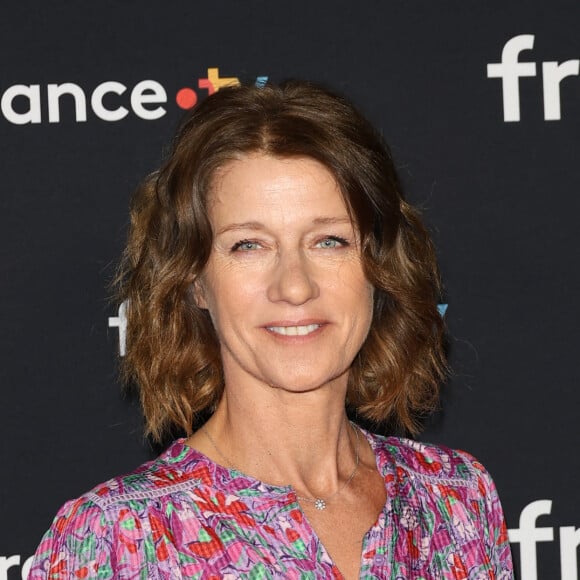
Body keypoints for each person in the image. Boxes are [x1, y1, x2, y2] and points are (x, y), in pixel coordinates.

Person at [30, 80, 513, 579]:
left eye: (329, 241)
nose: (295, 287)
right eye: (249, 245)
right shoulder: (112, 541)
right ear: (194, 281)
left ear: (380, 266)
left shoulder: (456, 501)